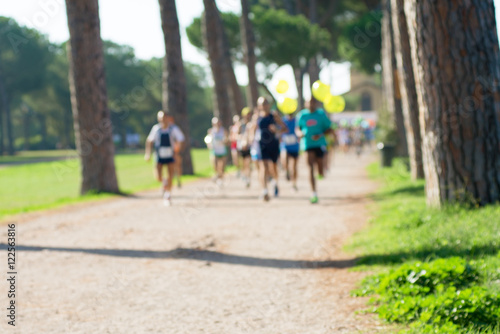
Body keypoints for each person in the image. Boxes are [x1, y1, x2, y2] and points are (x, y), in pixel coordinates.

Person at [296, 97, 333, 204]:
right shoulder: (302, 115)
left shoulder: (321, 114)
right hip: (307, 144)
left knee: (320, 168)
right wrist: (299, 133)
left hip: (319, 143)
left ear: (316, 104)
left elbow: (329, 129)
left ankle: (321, 172)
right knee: (310, 167)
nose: (311, 104)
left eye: (313, 102)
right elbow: (298, 128)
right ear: (306, 104)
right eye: (309, 102)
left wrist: (320, 135)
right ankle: (313, 192)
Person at [144, 111, 185, 206]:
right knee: (158, 176)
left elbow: (181, 140)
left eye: (164, 118)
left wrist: (177, 151)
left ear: (167, 118)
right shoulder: (156, 129)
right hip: (159, 155)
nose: (162, 120)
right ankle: (164, 183)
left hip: (170, 155)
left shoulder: (173, 128)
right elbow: (149, 141)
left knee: (170, 175)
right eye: (160, 118)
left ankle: (167, 194)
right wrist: (148, 154)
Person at [254, 97, 287, 201]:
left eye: (265, 103)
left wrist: (276, 129)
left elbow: (285, 128)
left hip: (273, 144)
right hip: (262, 144)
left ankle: (275, 182)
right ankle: (265, 191)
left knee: (273, 167)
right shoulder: (257, 117)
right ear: (259, 106)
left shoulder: (274, 116)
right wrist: (249, 139)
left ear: (268, 105)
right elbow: (252, 129)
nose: (264, 106)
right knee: (263, 167)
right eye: (261, 104)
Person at [205, 117, 228, 185]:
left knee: (222, 167)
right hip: (214, 151)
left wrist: (225, 140)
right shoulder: (210, 131)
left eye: (218, 122)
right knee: (215, 166)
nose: (217, 124)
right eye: (215, 123)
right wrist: (209, 145)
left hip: (222, 151)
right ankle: (218, 176)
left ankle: (220, 179)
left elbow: (227, 139)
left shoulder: (223, 130)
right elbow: (207, 139)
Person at [165, 114, 186, 188]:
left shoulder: (174, 128)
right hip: (166, 152)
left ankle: (178, 179)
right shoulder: (161, 128)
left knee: (177, 166)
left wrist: (179, 150)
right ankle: (167, 182)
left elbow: (181, 139)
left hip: (175, 151)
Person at [281, 112, 300, 191]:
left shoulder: (297, 120)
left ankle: (294, 183)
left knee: (294, 166)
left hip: (295, 146)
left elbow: (299, 129)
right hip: (285, 145)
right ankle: (286, 171)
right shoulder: (282, 120)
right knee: (284, 159)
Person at [237, 107, 253, 188]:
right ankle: (244, 175)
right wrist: (243, 138)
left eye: (249, 114)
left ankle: (248, 178)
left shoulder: (252, 123)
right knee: (243, 164)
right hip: (242, 146)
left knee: (248, 163)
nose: (248, 116)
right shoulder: (241, 124)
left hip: (250, 146)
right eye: (247, 114)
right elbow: (237, 134)